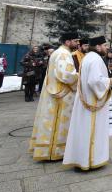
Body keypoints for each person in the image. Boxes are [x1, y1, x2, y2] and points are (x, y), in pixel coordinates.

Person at [63, 36, 112, 170]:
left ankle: (81, 159)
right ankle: (90, 160)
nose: (106, 48)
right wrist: (109, 81)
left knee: (83, 131)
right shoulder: (95, 59)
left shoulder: (88, 57)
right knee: (91, 130)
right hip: (93, 103)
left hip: (85, 101)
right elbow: (94, 81)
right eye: (104, 45)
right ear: (98, 46)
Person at [28, 32, 79, 161]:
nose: (77, 43)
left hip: (53, 91)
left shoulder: (58, 52)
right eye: (75, 41)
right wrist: (81, 76)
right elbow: (67, 75)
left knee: (49, 121)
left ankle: (46, 149)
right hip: (61, 95)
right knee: (58, 122)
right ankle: (55, 151)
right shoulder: (63, 54)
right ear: (68, 42)